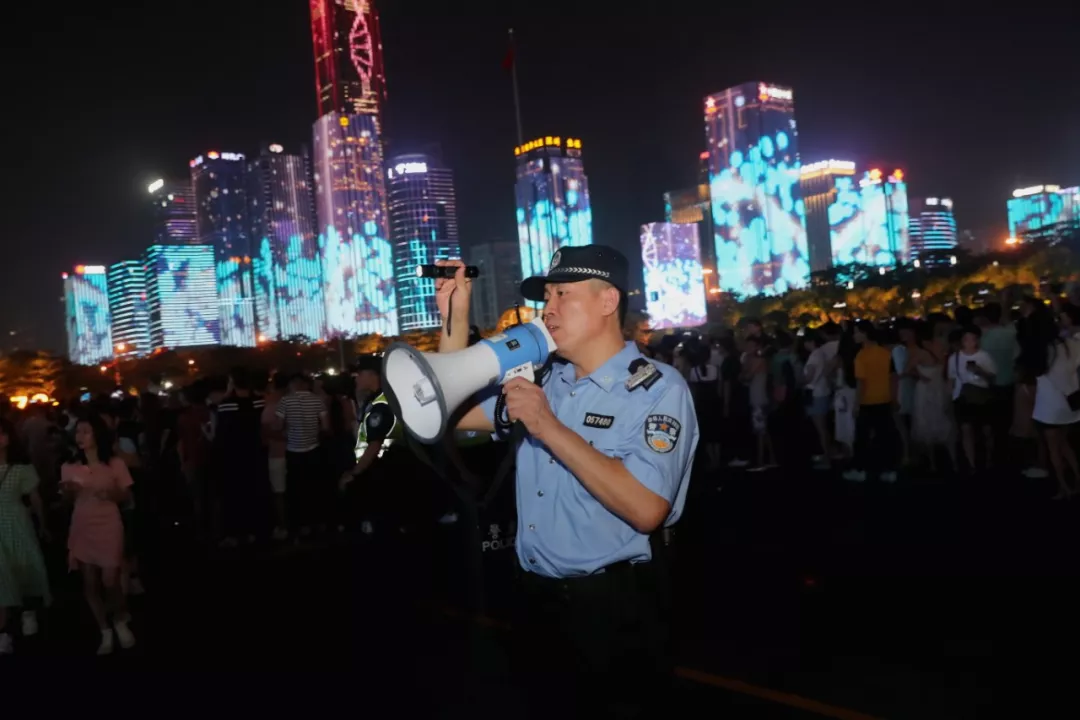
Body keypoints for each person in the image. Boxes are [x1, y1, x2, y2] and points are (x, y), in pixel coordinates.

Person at [433, 246, 698, 718]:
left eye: (562, 294)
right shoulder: (545, 382)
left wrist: (547, 426)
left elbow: (646, 509)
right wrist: (455, 317)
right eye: (546, 297)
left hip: (614, 611)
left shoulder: (657, 389)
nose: (547, 309)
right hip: (535, 601)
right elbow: (450, 414)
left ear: (607, 301)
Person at [62, 414, 136, 654]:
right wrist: (69, 491)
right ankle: (105, 629)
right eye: (77, 432)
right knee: (90, 581)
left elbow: (126, 495)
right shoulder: (70, 466)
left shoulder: (114, 463)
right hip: (83, 524)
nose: (80, 436)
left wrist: (112, 494)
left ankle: (120, 619)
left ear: (97, 434)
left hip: (108, 523)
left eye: (86, 431)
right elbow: (67, 500)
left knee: (110, 579)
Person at [0, 419, 52, 655]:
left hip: (16, 521)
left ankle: (27, 610)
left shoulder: (21, 467)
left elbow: (35, 497)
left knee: (23, 565)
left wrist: (43, 524)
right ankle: (4, 632)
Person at [844, 321, 898, 483]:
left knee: (862, 438)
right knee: (885, 437)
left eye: (857, 332)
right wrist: (894, 398)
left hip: (867, 401)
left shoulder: (861, 355)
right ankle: (888, 470)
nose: (854, 336)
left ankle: (861, 470)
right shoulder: (885, 353)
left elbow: (861, 382)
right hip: (885, 399)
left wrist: (856, 404)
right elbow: (893, 377)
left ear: (865, 333)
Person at [947, 325, 997, 473]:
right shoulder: (954, 358)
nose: (969, 342)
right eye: (966, 339)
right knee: (966, 428)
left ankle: (988, 457)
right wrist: (949, 398)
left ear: (977, 340)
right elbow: (951, 380)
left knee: (986, 429)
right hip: (962, 397)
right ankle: (971, 463)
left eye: (972, 339)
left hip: (982, 396)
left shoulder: (984, 356)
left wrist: (979, 371)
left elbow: (993, 377)